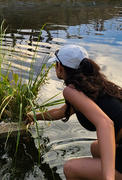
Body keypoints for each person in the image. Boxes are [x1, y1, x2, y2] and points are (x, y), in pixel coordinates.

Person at [27, 44, 122, 180]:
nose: (55, 68)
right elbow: (61, 111)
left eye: (56, 65)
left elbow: (105, 123)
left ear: (60, 67)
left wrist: (109, 177)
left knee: (70, 169)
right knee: (95, 147)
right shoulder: (91, 85)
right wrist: (33, 117)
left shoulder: (71, 91)